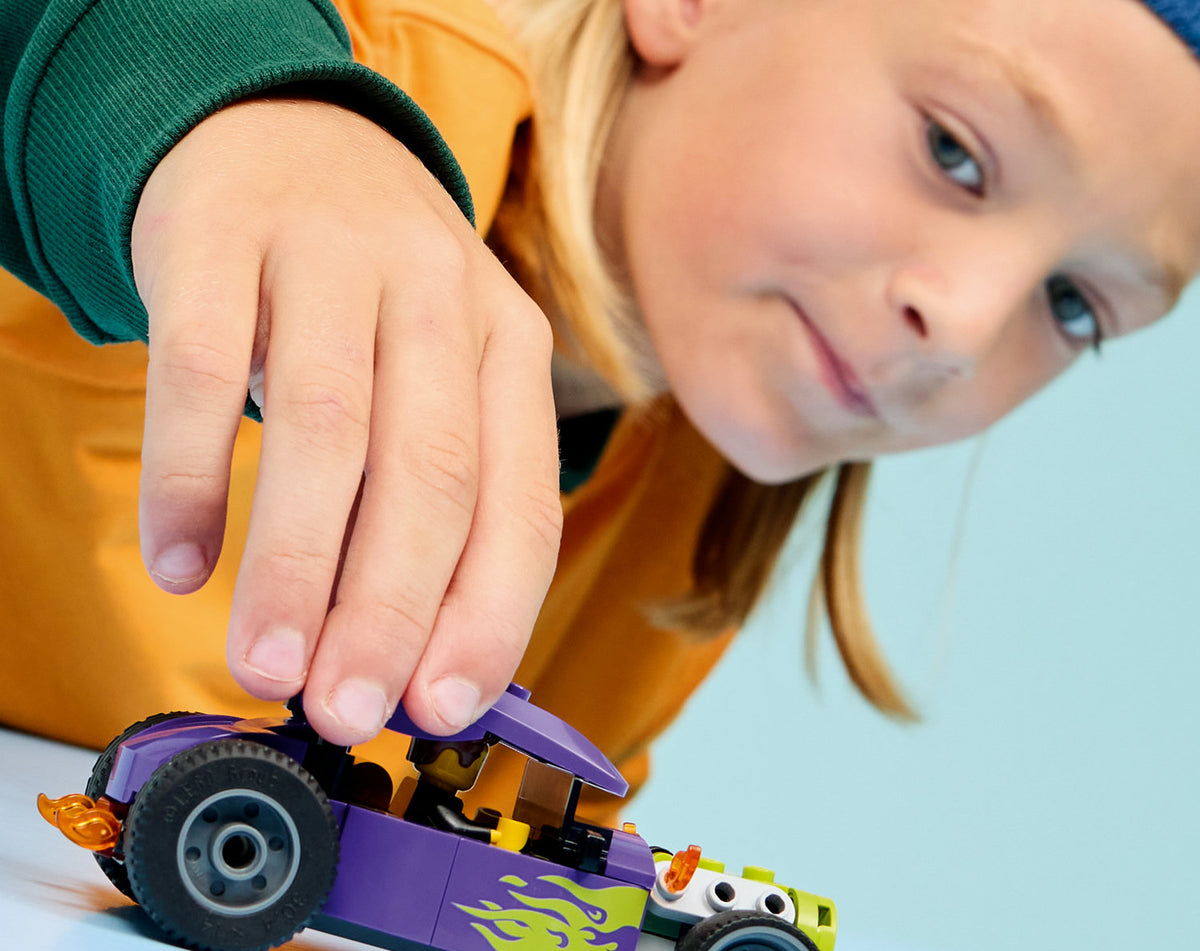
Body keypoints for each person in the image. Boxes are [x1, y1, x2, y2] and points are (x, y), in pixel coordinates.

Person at [3, 0, 1200, 823]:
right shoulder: (370, 64)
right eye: (954, 151)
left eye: (1074, 303)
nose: (972, 323)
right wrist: (229, 124)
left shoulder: (688, 517)